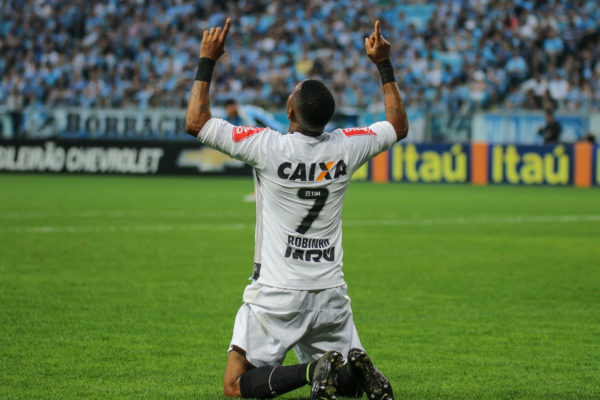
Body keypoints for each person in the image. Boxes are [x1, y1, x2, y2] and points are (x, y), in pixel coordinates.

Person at [185, 19, 408, 400]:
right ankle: (356, 370)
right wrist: (383, 66)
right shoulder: (347, 146)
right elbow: (397, 125)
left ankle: (311, 370)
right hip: (329, 292)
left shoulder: (267, 147)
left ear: (290, 112)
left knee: (234, 387)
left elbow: (196, 122)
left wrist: (207, 61)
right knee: (344, 385)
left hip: (278, 291)